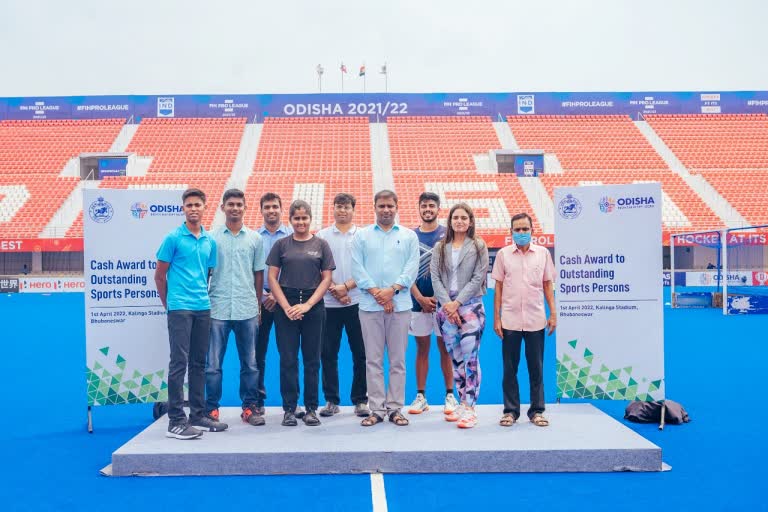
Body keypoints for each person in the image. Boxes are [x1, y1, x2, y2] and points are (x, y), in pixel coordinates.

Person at [154, 188, 228, 439]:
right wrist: (170, 305)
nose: (193, 208)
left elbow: (207, 274)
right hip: (179, 308)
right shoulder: (172, 238)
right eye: (189, 205)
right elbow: (159, 276)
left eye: (197, 204)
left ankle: (198, 414)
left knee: (199, 363)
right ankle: (176, 420)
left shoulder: (210, 242)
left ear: (205, 207)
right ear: (183, 209)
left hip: (202, 307)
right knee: (179, 363)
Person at [351, 190, 420, 427]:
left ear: (397, 206)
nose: (386, 210)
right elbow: (357, 268)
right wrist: (377, 293)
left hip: (400, 306)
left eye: (390, 205)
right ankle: (377, 409)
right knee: (374, 360)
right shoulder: (361, 236)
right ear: (374, 207)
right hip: (370, 306)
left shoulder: (409, 236)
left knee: (398, 360)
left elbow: (411, 268)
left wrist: (392, 290)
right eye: (381, 206)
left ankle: (395, 408)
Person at [267, 200, 335, 427]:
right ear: (291, 220)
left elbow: (326, 279)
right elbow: (271, 278)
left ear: (310, 219)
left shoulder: (322, 245)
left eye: (304, 218)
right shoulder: (281, 245)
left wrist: (307, 305)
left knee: (312, 360)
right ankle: (289, 409)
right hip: (285, 305)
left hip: (313, 306)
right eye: (296, 218)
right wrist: (286, 306)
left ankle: (311, 409)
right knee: (288, 359)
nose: (301, 222)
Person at [204, 189, 266, 427]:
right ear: (223, 208)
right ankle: (211, 409)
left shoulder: (255, 239)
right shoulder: (211, 238)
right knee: (213, 366)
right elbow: (206, 272)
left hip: (246, 308)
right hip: (217, 307)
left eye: (239, 204)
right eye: (230, 204)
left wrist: (257, 305)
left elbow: (258, 273)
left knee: (250, 364)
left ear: (245, 208)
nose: (235, 208)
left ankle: (249, 408)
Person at [491, 213, 556, 428]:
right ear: (511, 232)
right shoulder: (503, 255)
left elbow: (547, 284)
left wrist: (553, 313)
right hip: (509, 320)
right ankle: (510, 411)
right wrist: (497, 318)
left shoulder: (543, 254)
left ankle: (537, 411)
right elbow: (498, 286)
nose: (521, 233)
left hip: (536, 319)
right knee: (510, 369)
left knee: (536, 368)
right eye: (517, 230)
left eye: (524, 229)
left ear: (532, 231)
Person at [430, 203, 489, 429]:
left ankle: (471, 406)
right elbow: (435, 278)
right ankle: (461, 401)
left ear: (471, 221)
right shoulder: (440, 247)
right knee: (455, 359)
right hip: (446, 310)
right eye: (456, 217)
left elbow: (478, 278)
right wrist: (448, 305)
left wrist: (457, 303)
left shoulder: (478, 245)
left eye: (464, 218)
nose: (460, 221)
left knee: (470, 359)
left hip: (470, 307)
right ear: (450, 221)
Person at [316, 193, 370, 418]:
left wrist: (346, 288)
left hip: (358, 301)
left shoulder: (364, 236)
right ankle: (331, 400)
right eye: (339, 206)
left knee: (361, 353)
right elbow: (317, 268)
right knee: (328, 353)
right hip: (329, 303)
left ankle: (360, 400)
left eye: (347, 207)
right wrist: (336, 291)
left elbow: (369, 268)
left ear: (353, 209)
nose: (342, 210)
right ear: (333, 208)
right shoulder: (322, 236)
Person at [407, 192, 457, 415]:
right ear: (419, 208)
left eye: (431, 206)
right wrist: (419, 298)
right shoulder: (410, 236)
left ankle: (450, 396)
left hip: (443, 303)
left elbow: (454, 270)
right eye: (424, 206)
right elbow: (405, 272)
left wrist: (443, 299)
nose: (428, 209)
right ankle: (421, 396)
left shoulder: (448, 235)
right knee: (422, 349)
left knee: (446, 349)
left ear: (438, 209)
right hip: (418, 304)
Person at [255, 193, 302, 418]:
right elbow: (249, 271)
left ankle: (292, 403)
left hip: (287, 302)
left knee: (289, 354)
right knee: (258, 354)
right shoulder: (254, 238)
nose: (271, 210)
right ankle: (256, 400)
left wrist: (277, 294)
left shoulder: (293, 236)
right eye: (267, 207)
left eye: (275, 206)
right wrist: (264, 295)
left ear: (281, 209)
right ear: (261, 210)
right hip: (260, 301)